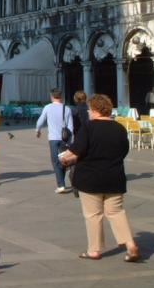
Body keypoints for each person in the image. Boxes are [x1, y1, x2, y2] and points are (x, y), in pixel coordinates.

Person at [58, 94, 141, 262]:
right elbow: (124, 150)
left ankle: (94, 250)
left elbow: (75, 151)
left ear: (95, 110)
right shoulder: (119, 128)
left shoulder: (88, 128)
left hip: (90, 178)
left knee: (93, 215)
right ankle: (129, 243)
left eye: (89, 109)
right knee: (116, 212)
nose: (88, 112)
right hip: (115, 177)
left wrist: (62, 159)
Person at [36, 88, 74, 194]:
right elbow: (70, 126)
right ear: (61, 96)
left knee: (55, 161)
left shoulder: (48, 107)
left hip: (53, 138)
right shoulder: (66, 108)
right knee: (63, 160)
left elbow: (40, 121)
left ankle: (61, 185)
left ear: (52, 96)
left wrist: (37, 130)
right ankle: (62, 182)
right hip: (64, 138)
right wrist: (69, 139)